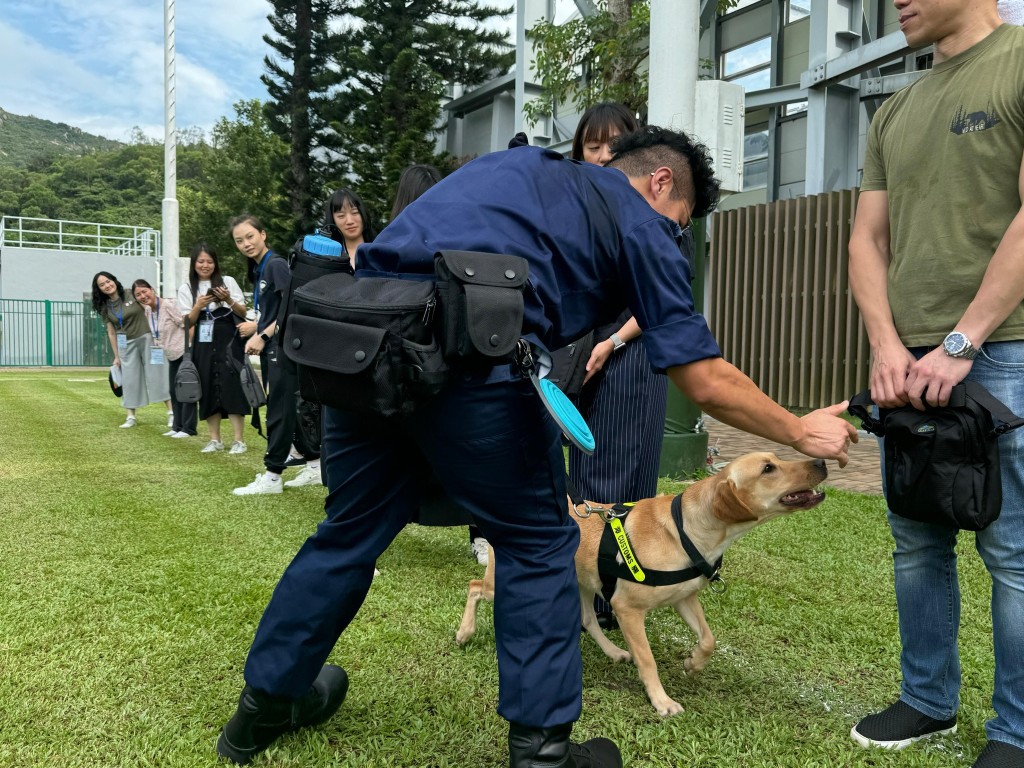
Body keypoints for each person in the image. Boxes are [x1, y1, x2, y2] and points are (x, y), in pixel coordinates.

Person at [215, 126, 857, 767]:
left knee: (347, 532)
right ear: (662, 183)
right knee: (538, 543)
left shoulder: (508, 168)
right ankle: (543, 755)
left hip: (365, 355)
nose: (675, 236)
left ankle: (260, 712)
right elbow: (703, 378)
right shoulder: (641, 221)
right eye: (680, 222)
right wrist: (800, 431)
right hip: (474, 368)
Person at [847, 3, 1024, 765]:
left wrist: (962, 340)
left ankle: (1015, 732)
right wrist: (888, 344)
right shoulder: (894, 107)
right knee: (916, 538)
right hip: (907, 361)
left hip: (1003, 350)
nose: (896, 2)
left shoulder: (1018, 61)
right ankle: (927, 700)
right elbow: (866, 237)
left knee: (1012, 549)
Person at [568, 102, 667, 630]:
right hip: (585, 357)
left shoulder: (652, 207)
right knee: (586, 471)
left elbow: (661, 299)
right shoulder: (578, 206)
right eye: (593, 145)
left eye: (615, 143)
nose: (605, 154)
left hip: (631, 355)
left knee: (624, 476)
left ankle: (614, 593)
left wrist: (613, 341)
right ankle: (585, 587)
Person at [386, 163, 493, 564]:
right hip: (435, 362)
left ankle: (480, 534)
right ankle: (480, 535)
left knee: (407, 453)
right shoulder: (401, 242)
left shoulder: (391, 243)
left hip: (419, 364)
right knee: (466, 451)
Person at [231, 214, 310, 495]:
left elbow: (292, 308)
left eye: (250, 236)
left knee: (278, 409)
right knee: (289, 406)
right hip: (275, 347)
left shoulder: (275, 265)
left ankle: (273, 475)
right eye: (239, 240)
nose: (246, 244)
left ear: (263, 235)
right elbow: (273, 310)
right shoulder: (258, 269)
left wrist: (263, 335)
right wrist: (258, 326)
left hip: (281, 347)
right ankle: (313, 464)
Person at [176, 244, 250, 454]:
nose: (205, 265)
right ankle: (215, 440)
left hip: (229, 339)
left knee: (233, 384)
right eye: (201, 261)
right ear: (194, 263)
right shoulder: (186, 288)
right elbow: (187, 323)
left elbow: (243, 311)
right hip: (203, 341)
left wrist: (227, 299)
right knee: (207, 386)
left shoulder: (228, 281)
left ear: (215, 263)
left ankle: (238, 440)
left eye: (209, 261)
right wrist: (198, 305)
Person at [91, 271, 171, 428]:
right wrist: (116, 356)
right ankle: (130, 417)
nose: (107, 285)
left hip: (147, 339)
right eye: (102, 285)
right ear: (99, 289)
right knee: (129, 380)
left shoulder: (131, 294)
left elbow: (151, 309)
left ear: (114, 280)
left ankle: (171, 413)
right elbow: (111, 332)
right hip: (126, 345)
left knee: (158, 374)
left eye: (108, 281)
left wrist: (159, 334)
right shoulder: (105, 307)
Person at [131, 279, 196, 439]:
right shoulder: (148, 311)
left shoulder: (168, 305)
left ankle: (188, 428)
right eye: (138, 295)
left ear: (152, 289)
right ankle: (177, 426)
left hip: (183, 353)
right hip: (170, 355)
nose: (142, 296)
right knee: (173, 391)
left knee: (185, 391)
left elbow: (187, 323)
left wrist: (192, 350)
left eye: (144, 291)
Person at [325, 187, 378, 271]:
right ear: (332, 220)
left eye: (355, 212)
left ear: (363, 213)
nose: (349, 221)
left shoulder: (381, 250)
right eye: (341, 216)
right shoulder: (327, 258)